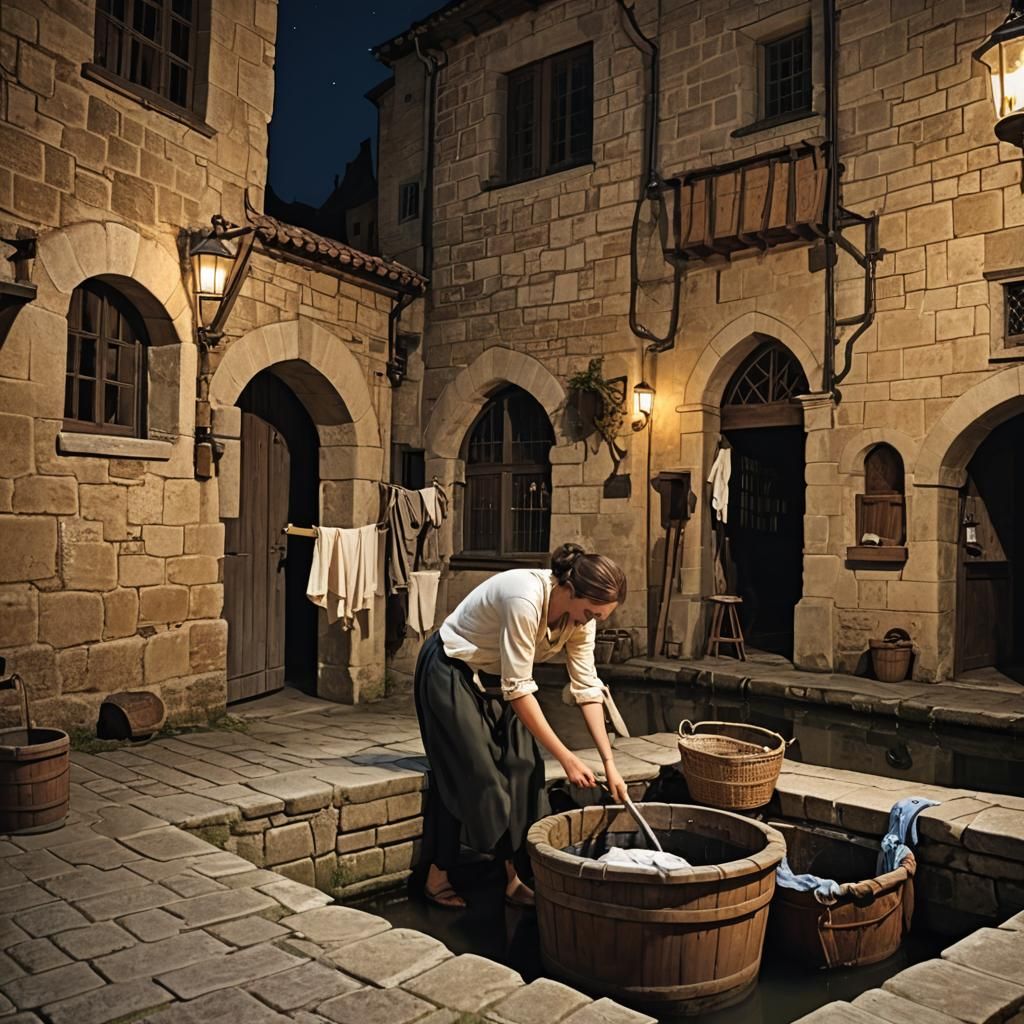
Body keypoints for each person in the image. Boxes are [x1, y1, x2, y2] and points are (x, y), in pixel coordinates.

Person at [413, 542, 630, 910]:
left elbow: (587, 687)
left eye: (598, 616)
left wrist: (610, 765)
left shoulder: (579, 620)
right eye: (590, 612)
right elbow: (519, 689)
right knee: (475, 773)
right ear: (569, 590)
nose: (591, 621)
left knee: (525, 769)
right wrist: (566, 757)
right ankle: (437, 873)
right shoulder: (524, 597)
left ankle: (512, 879)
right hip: (449, 668)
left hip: (496, 679)